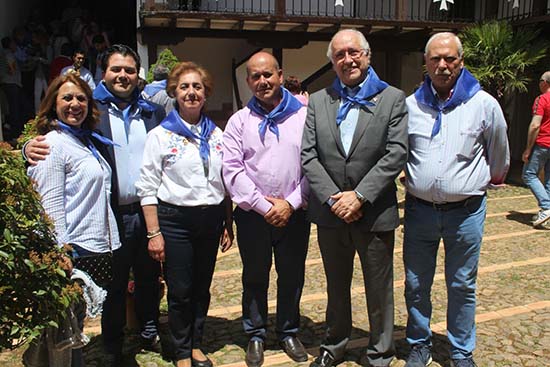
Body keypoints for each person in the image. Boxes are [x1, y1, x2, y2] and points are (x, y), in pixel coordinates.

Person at [24, 44, 166, 367]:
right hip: (108, 215)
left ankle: (148, 330)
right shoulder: (93, 109)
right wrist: (25, 150)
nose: (123, 76)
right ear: (105, 73)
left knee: (148, 277)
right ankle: (112, 345)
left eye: (130, 70)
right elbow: (52, 150)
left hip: (146, 213)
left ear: (138, 75)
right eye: (116, 69)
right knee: (113, 286)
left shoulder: (152, 112)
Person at [301, 29, 408, 367]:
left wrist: (359, 196)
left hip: (374, 212)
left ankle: (380, 352)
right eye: (339, 55)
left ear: (367, 55)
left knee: (379, 288)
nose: (347, 59)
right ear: (332, 63)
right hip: (331, 213)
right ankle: (334, 345)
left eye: (353, 52)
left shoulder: (392, 98)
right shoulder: (318, 101)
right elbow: (308, 156)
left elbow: (396, 153)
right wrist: (335, 198)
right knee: (336, 286)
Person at [403, 32, 509, 367]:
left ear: (461, 61)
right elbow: (401, 154)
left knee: (462, 285)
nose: (443, 65)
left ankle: (461, 351)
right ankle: (419, 344)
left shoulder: (484, 104)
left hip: (466, 213)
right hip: (419, 212)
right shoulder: (411, 105)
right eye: (436, 59)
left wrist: (474, 183)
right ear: (426, 62)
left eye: (450, 58)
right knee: (416, 283)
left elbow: (499, 157)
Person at [136, 61, 233, 367]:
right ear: (174, 93)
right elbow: (147, 187)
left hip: (210, 218)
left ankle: (195, 343)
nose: (191, 93)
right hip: (175, 220)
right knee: (180, 289)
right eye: (184, 87)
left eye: (197, 87)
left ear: (206, 94)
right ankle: (180, 351)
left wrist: (227, 222)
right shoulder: (160, 137)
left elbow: (224, 181)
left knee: (202, 286)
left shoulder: (216, 134)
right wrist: (154, 233)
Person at [25, 73, 121, 367]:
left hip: (96, 247)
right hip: (73, 253)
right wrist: (60, 254)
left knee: (74, 328)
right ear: (53, 103)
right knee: (64, 336)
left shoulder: (85, 141)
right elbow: (48, 206)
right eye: (67, 98)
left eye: (81, 98)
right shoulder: (52, 145)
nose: (75, 104)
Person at [222, 51, 310, 367]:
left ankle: (288, 331)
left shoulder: (303, 117)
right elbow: (231, 169)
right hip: (253, 216)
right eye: (255, 77)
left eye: (268, 75)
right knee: (255, 276)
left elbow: (312, 165)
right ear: (248, 81)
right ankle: (256, 333)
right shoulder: (238, 121)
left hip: (294, 213)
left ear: (280, 75)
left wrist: (291, 203)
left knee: (291, 275)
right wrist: (262, 206)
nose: (262, 82)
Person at [521, 71, 550, 227]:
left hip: (542, 143)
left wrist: (527, 149)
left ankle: (546, 207)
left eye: (540, 80)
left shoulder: (542, 99)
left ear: (544, 82)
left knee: (528, 175)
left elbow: (535, 125)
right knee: (549, 179)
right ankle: (547, 210)